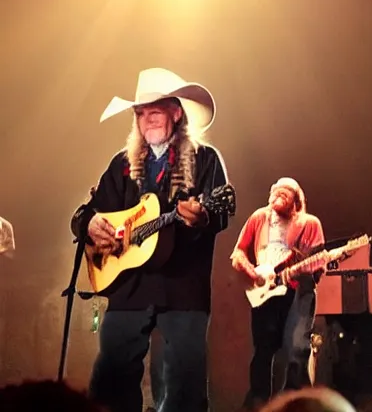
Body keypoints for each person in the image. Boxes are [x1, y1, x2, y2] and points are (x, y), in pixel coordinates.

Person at [70, 67, 231, 412]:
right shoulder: (122, 165)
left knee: (184, 386)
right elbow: (85, 214)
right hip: (128, 286)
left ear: (176, 111)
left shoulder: (206, 159)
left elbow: (220, 212)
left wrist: (202, 216)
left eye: (156, 110)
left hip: (182, 288)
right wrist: (90, 223)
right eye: (141, 113)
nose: (147, 119)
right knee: (110, 381)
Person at [231, 177, 326, 411]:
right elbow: (237, 254)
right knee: (263, 350)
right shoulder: (259, 217)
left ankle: (295, 403)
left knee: (297, 349)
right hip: (265, 291)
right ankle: (258, 403)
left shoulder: (309, 223)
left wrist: (304, 269)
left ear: (296, 202)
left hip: (297, 290)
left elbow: (319, 261)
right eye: (276, 192)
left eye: (286, 194)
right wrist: (253, 273)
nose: (279, 197)